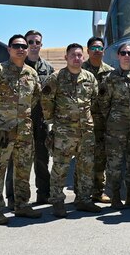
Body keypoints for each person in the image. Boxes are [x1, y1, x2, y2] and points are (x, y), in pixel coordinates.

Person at [0, 34, 42, 225]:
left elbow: (35, 98)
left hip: (24, 132)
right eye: (16, 46)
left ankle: (22, 205)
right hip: (2, 133)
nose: (21, 49)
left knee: (23, 171)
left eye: (24, 46)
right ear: (9, 49)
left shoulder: (31, 74)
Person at [41, 43, 100, 217]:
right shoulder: (56, 78)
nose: (76, 58)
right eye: (73, 55)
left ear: (83, 57)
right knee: (60, 167)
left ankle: (84, 199)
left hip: (86, 132)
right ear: (66, 57)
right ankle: (57, 201)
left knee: (86, 167)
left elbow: (94, 100)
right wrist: (54, 120)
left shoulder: (89, 78)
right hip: (64, 133)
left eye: (79, 55)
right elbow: (46, 101)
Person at [5, 30, 54, 208]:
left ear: (41, 45)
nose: (34, 45)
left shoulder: (48, 69)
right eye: (30, 42)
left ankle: (44, 194)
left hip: (40, 122)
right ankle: (12, 197)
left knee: (42, 159)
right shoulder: (16, 66)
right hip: (18, 123)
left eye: (37, 42)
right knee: (16, 161)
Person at [99, 44, 130, 208]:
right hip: (116, 128)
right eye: (123, 53)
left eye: (129, 53)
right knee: (115, 163)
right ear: (118, 56)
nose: (126, 55)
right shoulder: (110, 78)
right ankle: (116, 196)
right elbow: (104, 104)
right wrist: (114, 119)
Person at [81, 36, 115, 204]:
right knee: (83, 159)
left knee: (100, 158)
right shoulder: (80, 70)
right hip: (83, 122)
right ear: (88, 51)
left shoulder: (109, 72)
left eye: (100, 48)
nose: (97, 51)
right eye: (93, 48)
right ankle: (82, 193)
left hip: (103, 122)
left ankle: (97, 192)